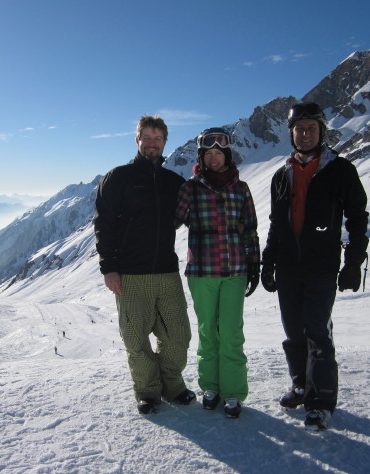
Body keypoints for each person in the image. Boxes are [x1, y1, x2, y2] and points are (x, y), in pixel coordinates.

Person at [261, 102, 369, 431]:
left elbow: (357, 217)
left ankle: (321, 401)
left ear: (321, 131)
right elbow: (276, 223)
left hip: (322, 266)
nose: (305, 134)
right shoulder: (282, 174)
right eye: (299, 129)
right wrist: (268, 262)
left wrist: (353, 262)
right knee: (293, 331)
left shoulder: (340, 170)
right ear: (291, 134)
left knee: (317, 332)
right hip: (289, 267)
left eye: (311, 129)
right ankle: (300, 385)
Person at [94, 114, 195, 415]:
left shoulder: (173, 182)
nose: (152, 143)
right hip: (130, 274)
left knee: (178, 335)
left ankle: (173, 384)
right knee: (135, 338)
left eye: (158, 138)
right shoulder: (118, 178)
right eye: (146, 137)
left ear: (165, 142)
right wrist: (108, 267)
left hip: (166, 270)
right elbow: (104, 224)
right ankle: (148, 391)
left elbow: (195, 217)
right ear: (137, 139)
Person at [175, 128, 260, 419]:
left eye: (218, 152)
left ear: (227, 154)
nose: (213, 158)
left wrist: (254, 264)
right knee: (207, 332)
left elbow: (250, 229)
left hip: (235, 271)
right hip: (201, 271)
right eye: (208, 153)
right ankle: (210, 386)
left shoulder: (241, 188)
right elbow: (172, 220)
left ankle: (234, 392)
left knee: (232, 333)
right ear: (202, 156)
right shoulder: (190, 188)